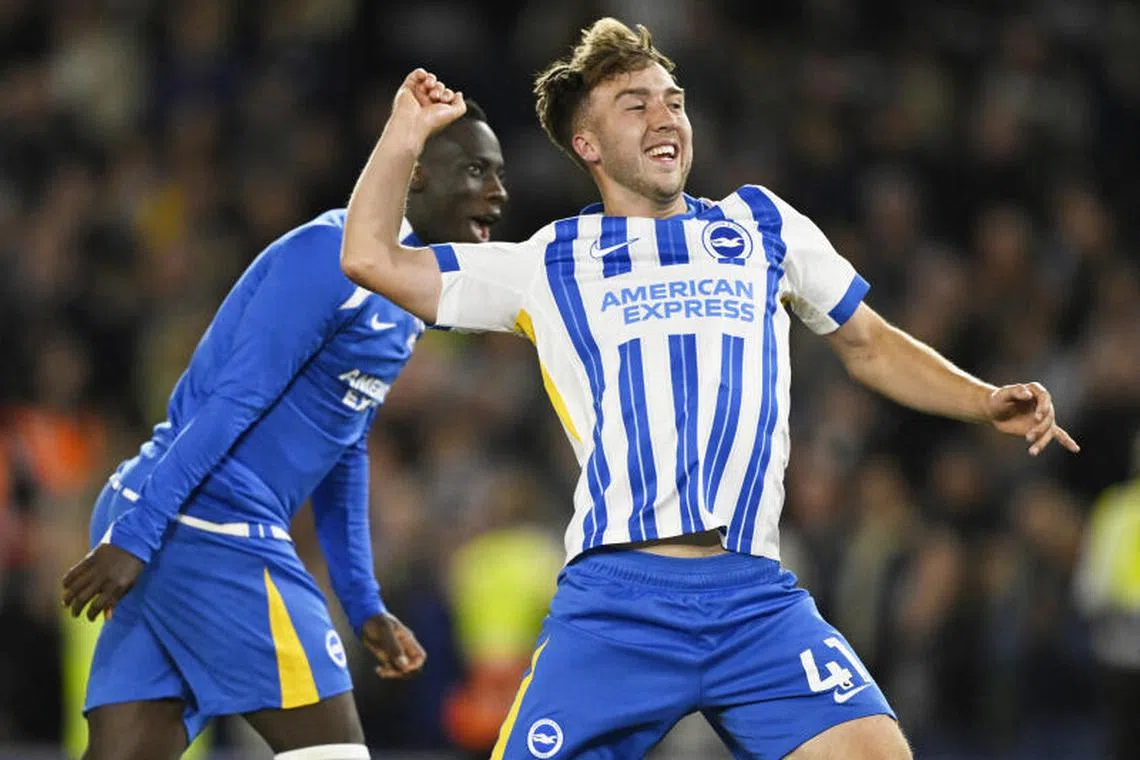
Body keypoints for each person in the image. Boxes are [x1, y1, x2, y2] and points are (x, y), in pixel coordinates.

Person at [338, 19, 1079, 760]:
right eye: (636, 105)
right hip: (618, 604)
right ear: (587, 145)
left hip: (756, 599)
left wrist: (981, 398)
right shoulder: (549, 261)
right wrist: (405, 134)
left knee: (877, 753)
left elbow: (868, 342)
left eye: (674, 100)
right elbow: (370, 257)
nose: (666, 118)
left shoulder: (762, 224)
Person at [59, 100, 508, 760]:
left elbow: (344, 446)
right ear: (415, 177)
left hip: (177, 527)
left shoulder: (405, 298)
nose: (498, 191)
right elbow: (232, 403)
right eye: (476, 170)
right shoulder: (326, 255)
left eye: (499, 173)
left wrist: (363, 604)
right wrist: (139, 534)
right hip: (207, 526)